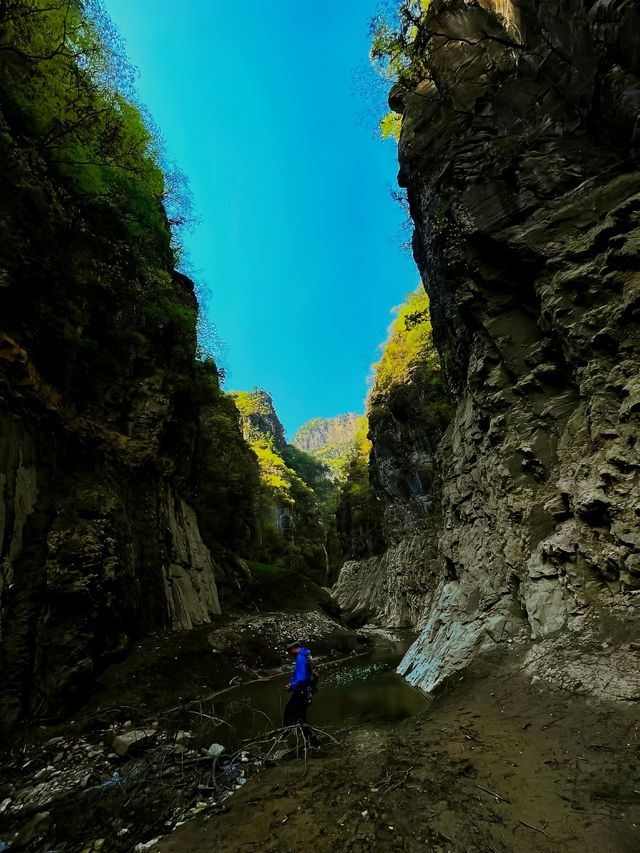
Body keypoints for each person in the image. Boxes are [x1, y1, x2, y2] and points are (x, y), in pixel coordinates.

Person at [283, 640, 317, 745]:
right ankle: (310, 741)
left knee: (290, 714)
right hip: (306, 690)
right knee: (299, 716)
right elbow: (303, 675)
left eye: (289, 651)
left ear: (293, 649)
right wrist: (291, 684)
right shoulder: (305, 654)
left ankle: (286, 738)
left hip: (302, 690)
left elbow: (301, 677)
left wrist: (292, 686)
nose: (289, 653)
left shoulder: (300, 658)